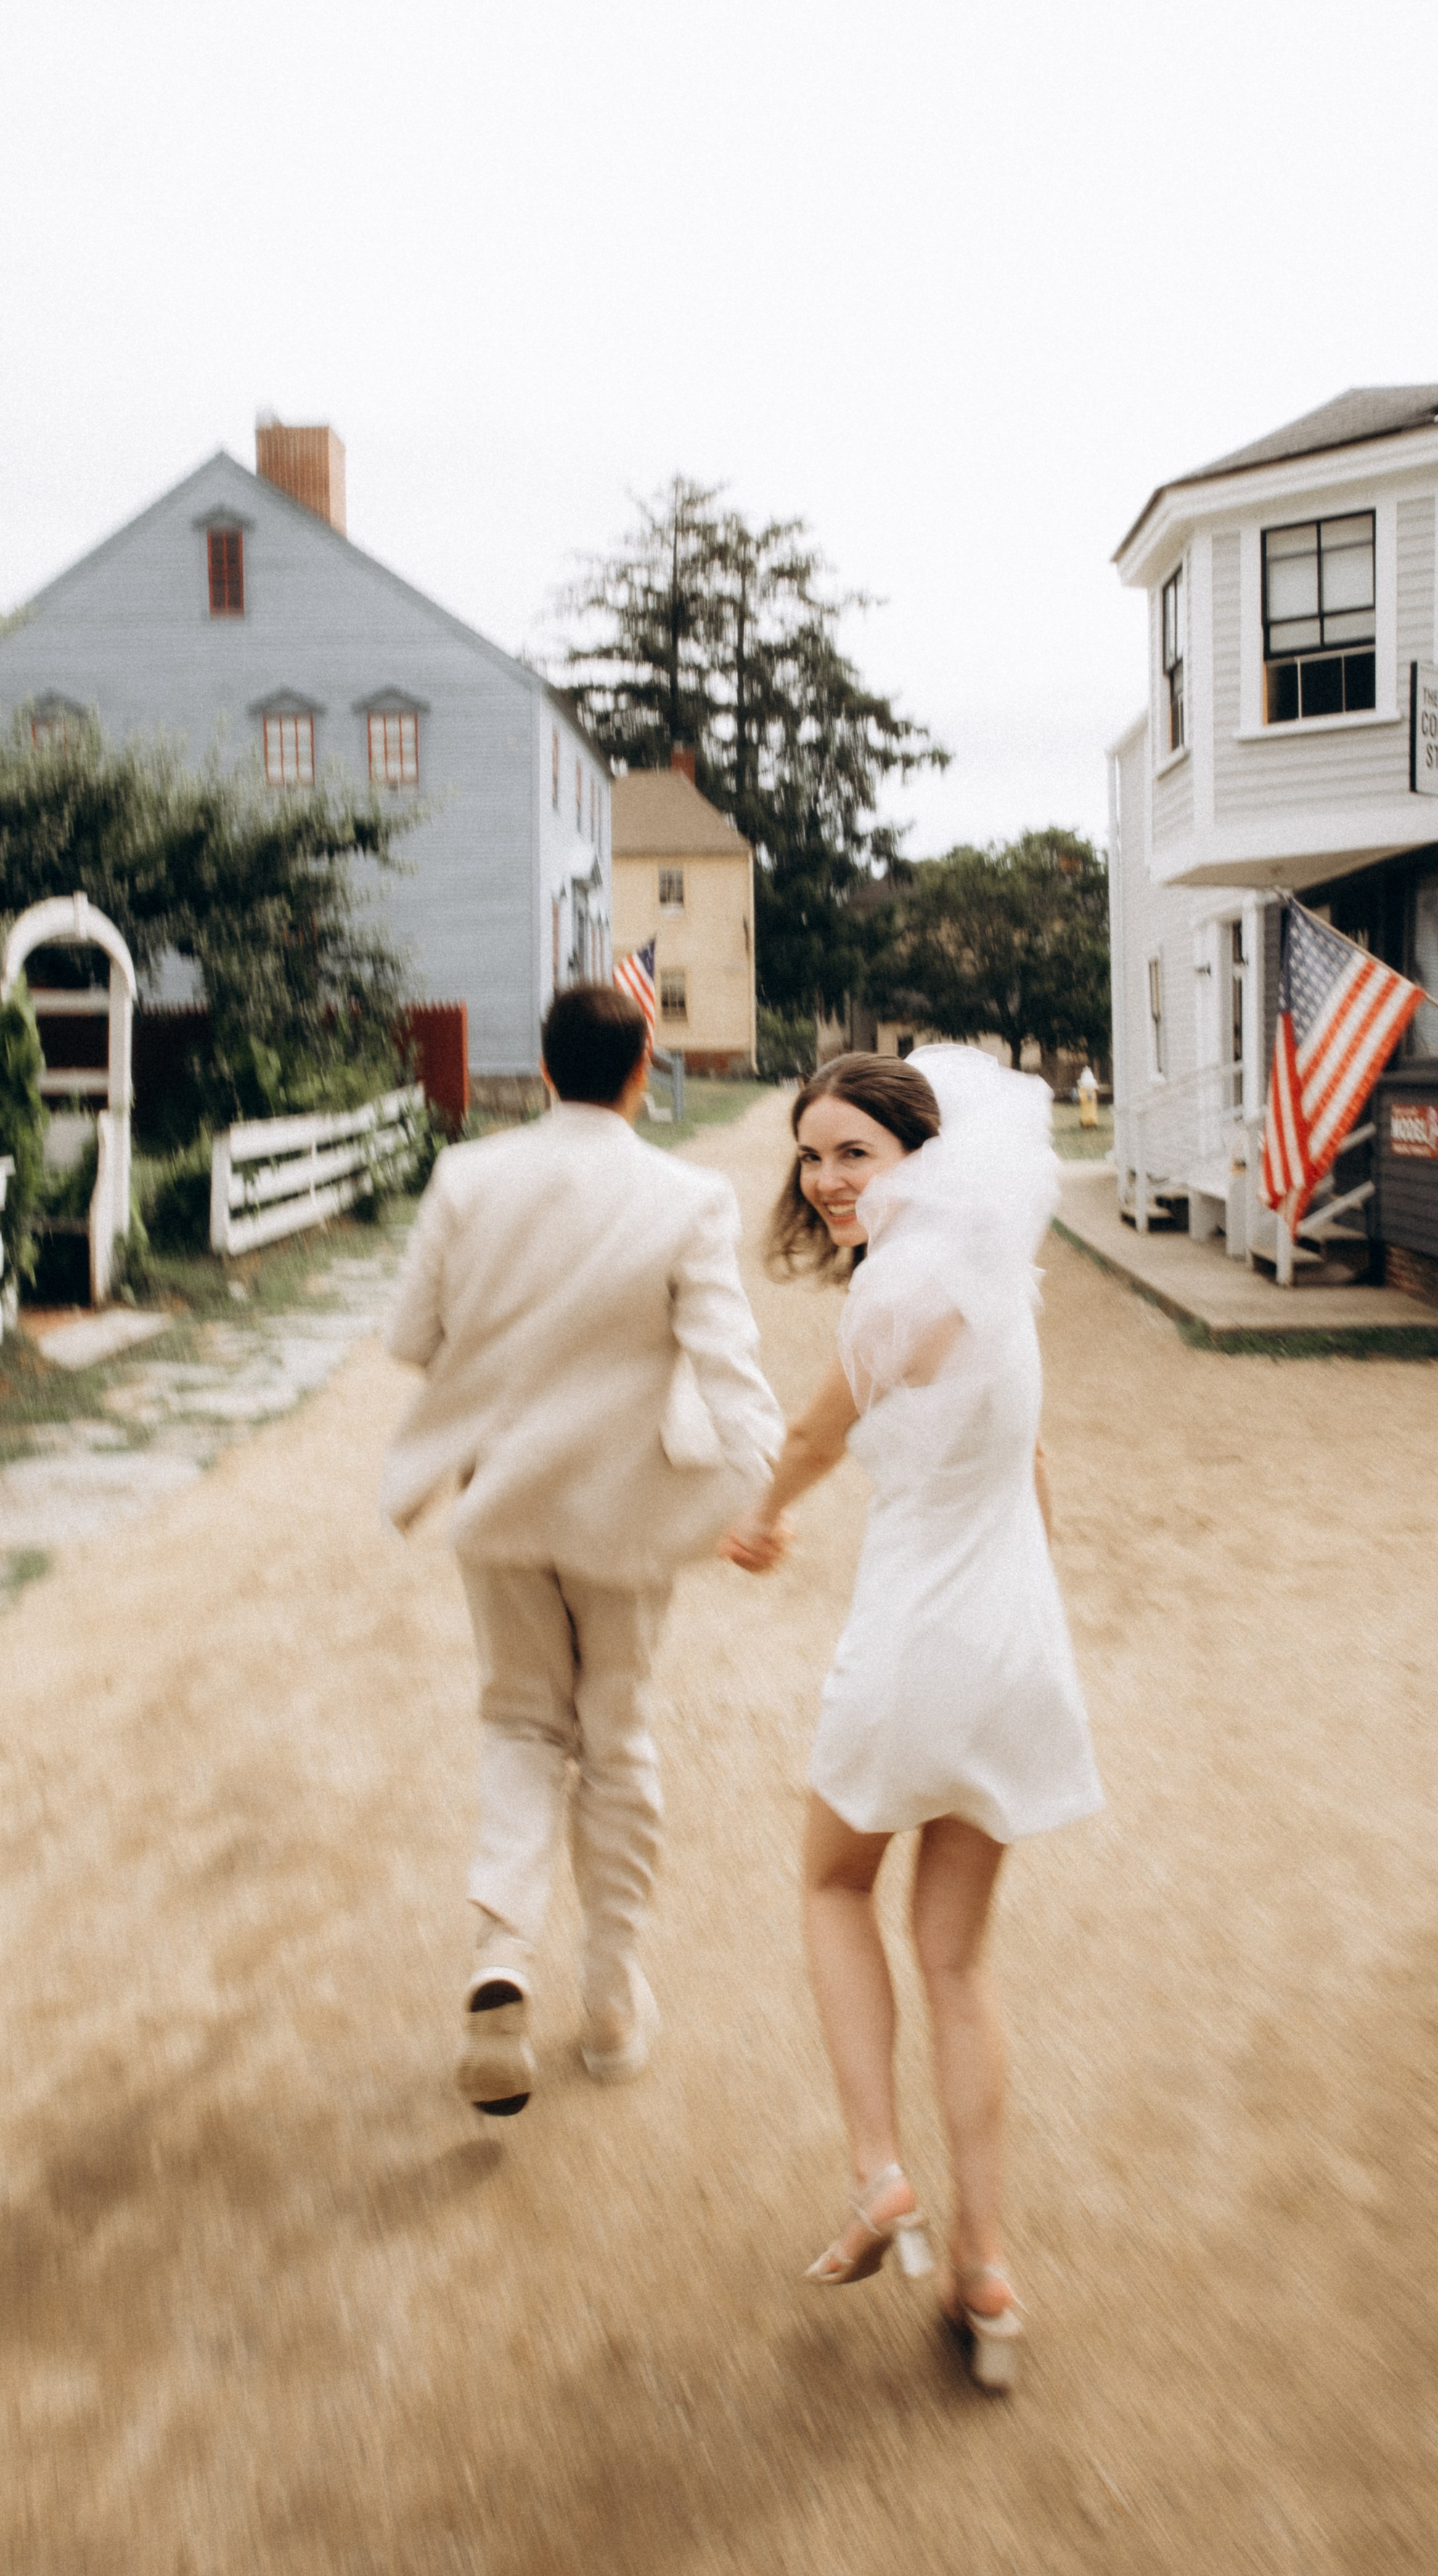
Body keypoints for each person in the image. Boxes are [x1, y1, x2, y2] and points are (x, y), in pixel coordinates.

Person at [721, 1047, 1102, 2393]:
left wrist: (760, 1515)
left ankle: (882, 2175)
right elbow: (1035, 1471)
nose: (824, 1180)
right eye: (811, 1155)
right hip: (1010, 1649)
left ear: (918, 1161)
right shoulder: (1007, 1283)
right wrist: (1042, 1633)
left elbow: (820, 1438)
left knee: (830, 1884)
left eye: (852, 1155)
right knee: (957, 1961)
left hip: (914, 1640)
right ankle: (986, 2278)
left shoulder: (896, 1293)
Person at [383, 984, 783, 2118]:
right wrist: (761, 1495)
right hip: (630, 1515)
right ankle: (610, 2001)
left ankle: (502, 1953)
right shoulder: (689, 1195)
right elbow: (727, 1362)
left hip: (501, 1501)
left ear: (545, 1067)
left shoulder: (469, 1178)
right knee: (619, 1733)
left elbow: (414, 1337)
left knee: (519, 1721)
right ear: (642, 1068)